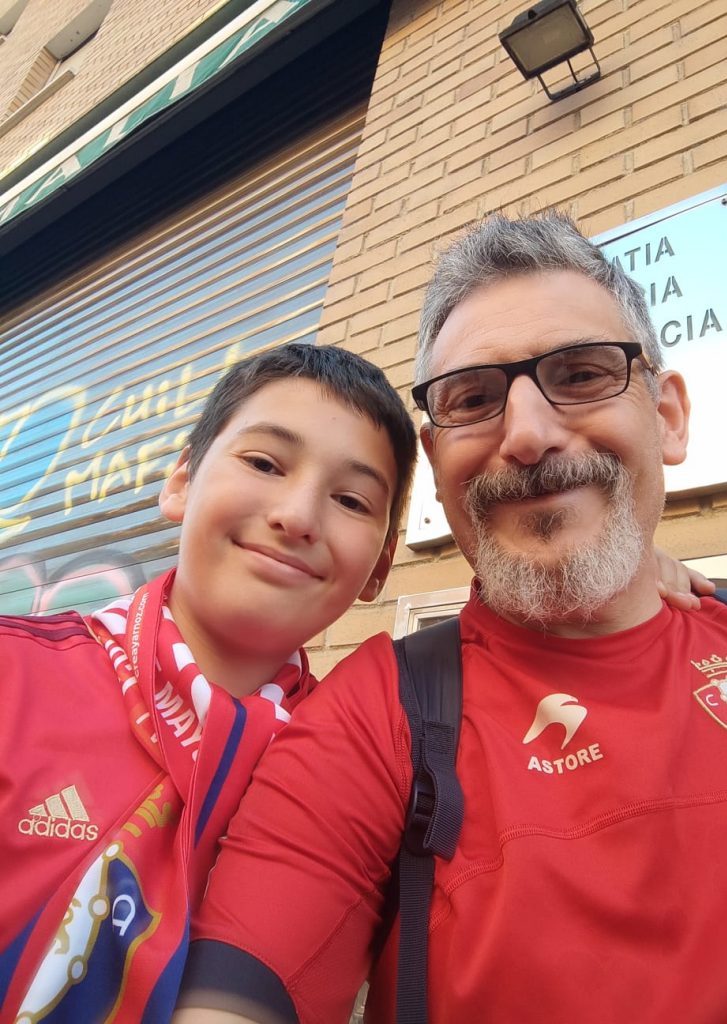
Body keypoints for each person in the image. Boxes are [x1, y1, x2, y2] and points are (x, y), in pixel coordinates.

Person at [174, 213, 727, 1024]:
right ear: (436, 460)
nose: (526, 435)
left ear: (667, 417)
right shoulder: (378, 714)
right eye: (475, 400)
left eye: (582, 374)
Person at [0, 342, 418, 1023]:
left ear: (380, 567)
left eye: (350, 499)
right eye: (264, 463)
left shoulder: (358, 776)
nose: (298, 516)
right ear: (181, 482)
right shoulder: (15, 675)